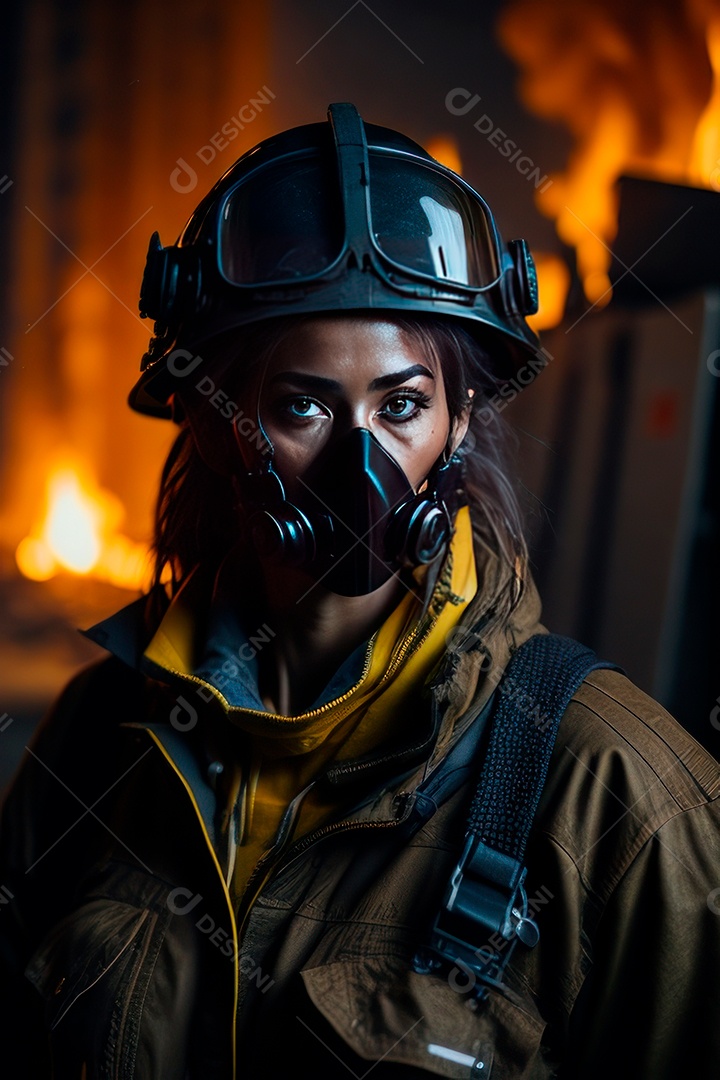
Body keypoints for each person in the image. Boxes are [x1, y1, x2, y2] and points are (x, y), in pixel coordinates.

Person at [1, 102, 718, 1080]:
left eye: (403, 405)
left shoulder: (620, 799)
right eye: (301, 405)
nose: (360, 464)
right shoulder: (96, 743)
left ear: (461, 420)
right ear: (213, 423)